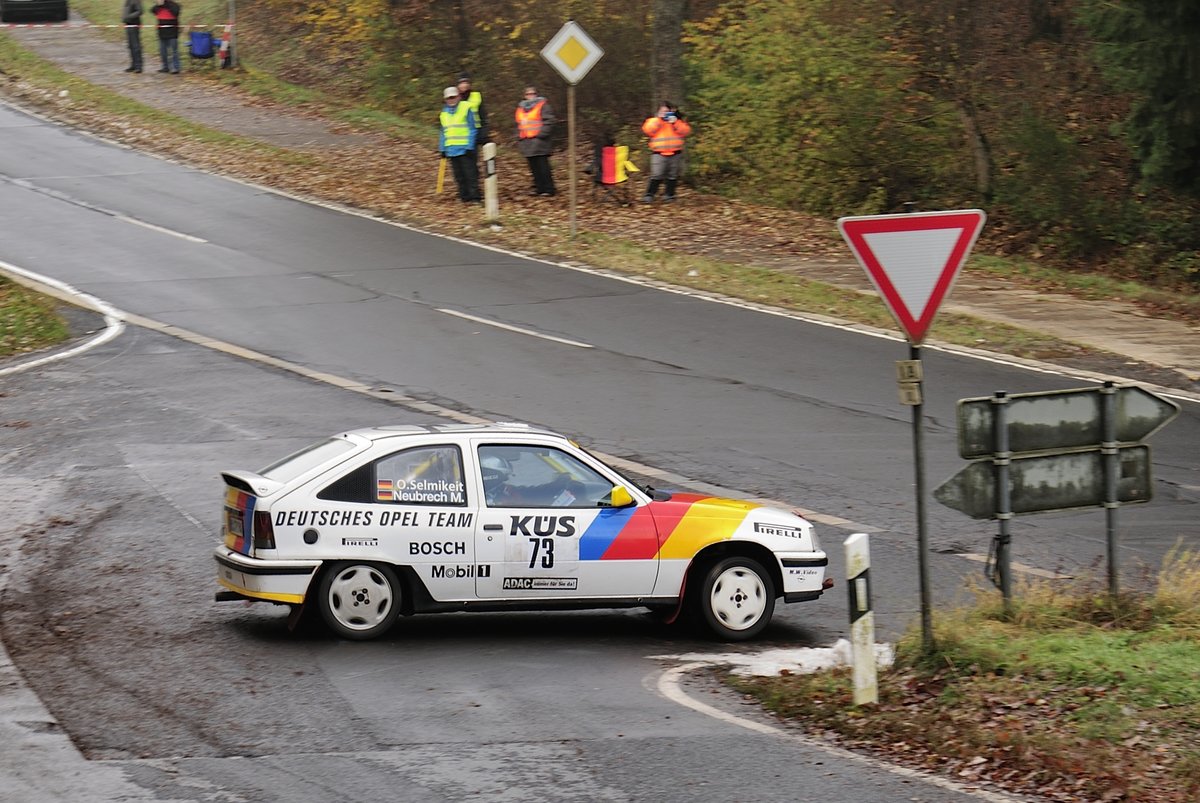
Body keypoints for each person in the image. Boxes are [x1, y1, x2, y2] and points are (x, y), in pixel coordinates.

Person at [641, 101, 692, 203]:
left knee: (672, 175)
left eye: (667, 111)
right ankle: (649, 195)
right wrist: (659, 120)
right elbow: (647, 130)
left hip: (675, 152)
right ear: (658, 111)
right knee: (657, 174)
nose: (665, 113)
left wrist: (675, 122)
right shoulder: (653, 121)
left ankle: (669, 195)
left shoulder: (677, 121)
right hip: (658, 153)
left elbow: (686, 131)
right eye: (663, 111)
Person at [439, 85, 481, 203]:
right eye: (449, 98)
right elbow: (443, 132)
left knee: (470, 174)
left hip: (465, 148)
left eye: (453, 97)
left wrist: (470, 146)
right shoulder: (444, 113)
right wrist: (442, 149)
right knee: (458, 175)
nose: (451, 100)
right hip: (451, 149)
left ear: (458, 97)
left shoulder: (466, 108)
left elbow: (473, 128)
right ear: (445, 99)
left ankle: (475, 197)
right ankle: (464, 197)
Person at [515, 86, 556, 196]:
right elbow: (518, 124)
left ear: (536, 94)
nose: (530, 96)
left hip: (540, 142)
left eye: (532, 93)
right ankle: (539, 188)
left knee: (543, 167)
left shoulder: (543, 105)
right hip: (526, 142)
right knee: (533, 168)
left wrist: (541, 134)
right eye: (528, 94)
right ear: (524, 96)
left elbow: (549, 121)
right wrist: (519, 137)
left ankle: (549, 189)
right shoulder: (520, 108)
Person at [455, 72, 488, 148]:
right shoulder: (454, 98)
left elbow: (483, 117)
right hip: (460, 134)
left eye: (466, 83)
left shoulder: (476, 96)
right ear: (458, 85)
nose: (464, 85)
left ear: (469, 84)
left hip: (476, 132)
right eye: (461, 83)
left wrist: (484, 132)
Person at [150, 0, 181, 74]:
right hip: (162, 32)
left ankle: (175, 67)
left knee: (174, 51)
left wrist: (166, 4)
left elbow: (176, 13)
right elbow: (152, 10)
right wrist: (158, 5)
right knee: (163, 51)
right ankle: (165, 67)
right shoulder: (159, 6)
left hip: (172, 32)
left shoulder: (174, 5)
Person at [121, 0, 143, 73]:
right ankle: (133, 65)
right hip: (128, 24)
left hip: (134, 24)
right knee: (130, 46)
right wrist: (124, 19)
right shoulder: (127, 1)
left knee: (136, 46)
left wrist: (129, 16)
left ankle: (138, 66)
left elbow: (140, 11)